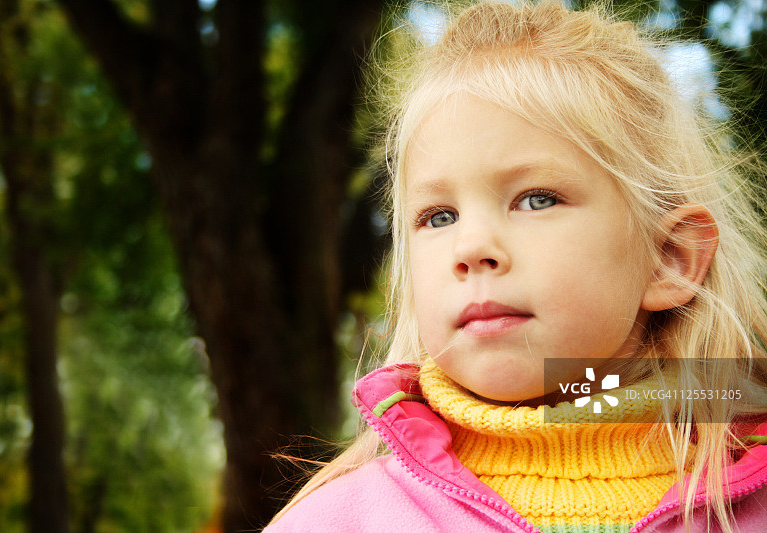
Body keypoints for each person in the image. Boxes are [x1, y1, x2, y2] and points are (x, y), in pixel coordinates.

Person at [265, 1, 767, 531]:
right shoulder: (335, 521)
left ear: (670, 260)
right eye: (439, 216)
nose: (471, 247)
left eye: (536, 199)